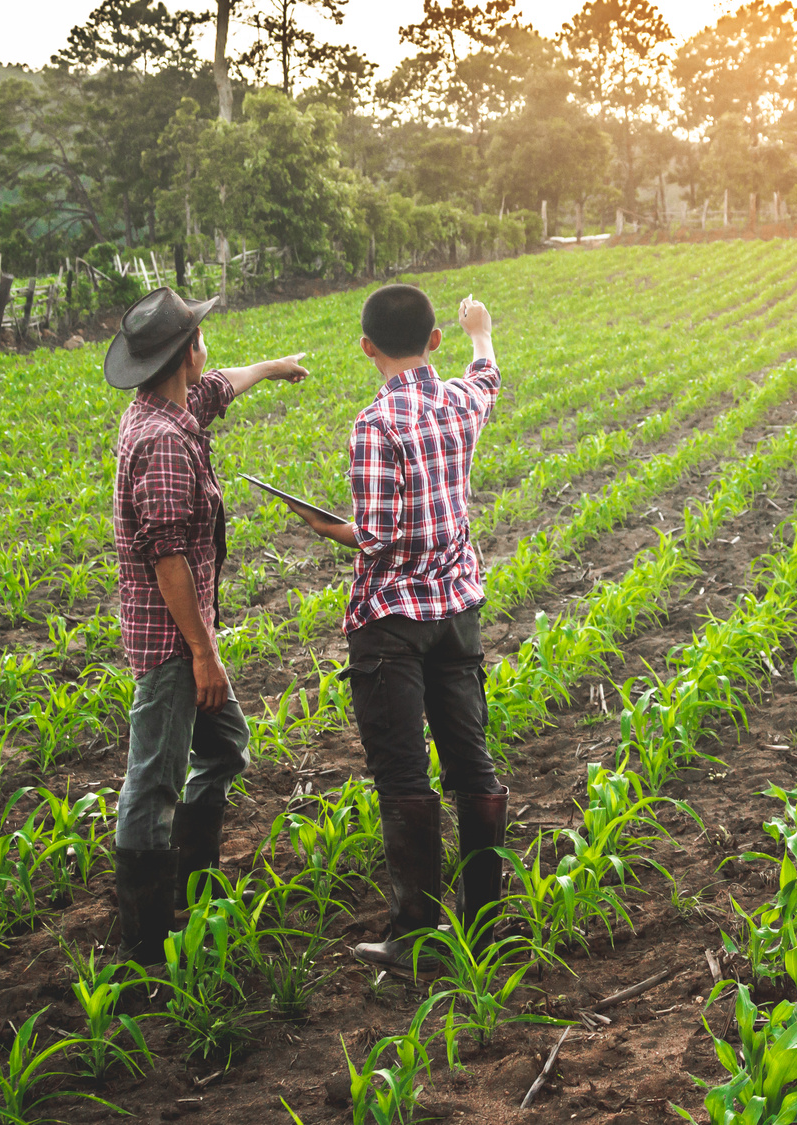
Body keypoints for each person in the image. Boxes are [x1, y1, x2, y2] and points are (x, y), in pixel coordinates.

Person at [291, 284, 505, 968]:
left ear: (366, 348)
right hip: (457, 613)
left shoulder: (374, 426)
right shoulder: (461, 401)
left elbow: (377, 537)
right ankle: (486, 922)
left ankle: (416, 933)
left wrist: (326, 526)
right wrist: (481, 330)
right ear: (433, 340)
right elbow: (488, 375)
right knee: (471, 762)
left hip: (390, 623)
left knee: (404, 774)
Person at [105, 286, 310, 963]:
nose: (208, 349)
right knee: (153, 782)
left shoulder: (171, 405)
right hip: (173, 644)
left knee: (223, 747)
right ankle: (145, 945)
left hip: (182, 638)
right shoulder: (162, 443)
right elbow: (168, 563)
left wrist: (276, 366)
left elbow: (222, 386)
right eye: (200, 336)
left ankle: (194, 886)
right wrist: (203, 654)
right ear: (186, 353)